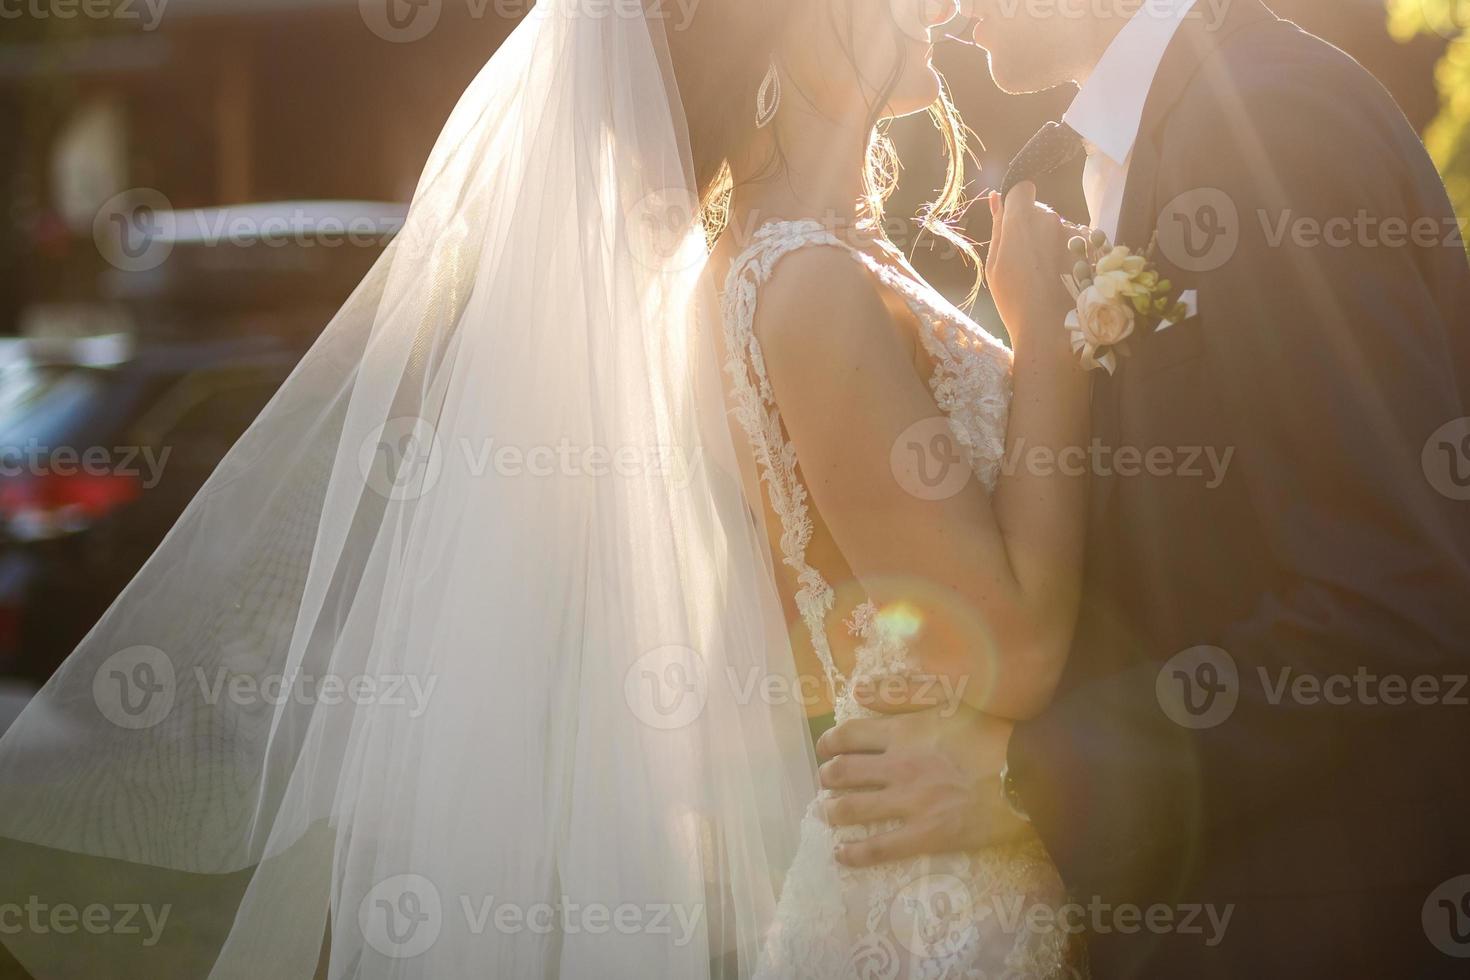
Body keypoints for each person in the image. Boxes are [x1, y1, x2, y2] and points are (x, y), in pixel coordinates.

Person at [0, 1, 1090, 977]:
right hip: (946, 892)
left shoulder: (784, 267)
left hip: (939, 836)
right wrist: (1048, 350)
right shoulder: (802, 286)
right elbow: (1021, 644)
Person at [819, 1, 1470, 976]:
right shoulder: (1145, 142)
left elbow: (1386, 595)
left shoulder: (1273, 128)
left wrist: (1028, 779)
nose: (945, 11)